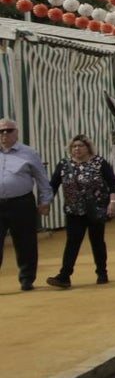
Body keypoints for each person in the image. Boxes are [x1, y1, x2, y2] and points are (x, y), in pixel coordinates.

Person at [44, 135, 115, 288]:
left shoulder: (99, 163)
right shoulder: (64, 165)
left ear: (88, 148)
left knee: (97, 242)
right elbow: (53, 185)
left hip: (96, 209)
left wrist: (112, 203)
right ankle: (64, 276)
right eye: (74, 147)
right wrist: (46, 203)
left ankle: (102, 273)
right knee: (72, 243)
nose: (76, 149)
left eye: (80, 146)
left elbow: (112, 183)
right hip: (74, 211)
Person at [0, 119, 52, 290]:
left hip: (21, 203)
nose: (4, 134)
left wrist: (45, 200)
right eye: (1, 131)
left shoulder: (29, 153)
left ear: (16, 132)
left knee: (25, 243)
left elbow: (42, 178)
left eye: (8, 130)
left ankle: (27, 279)